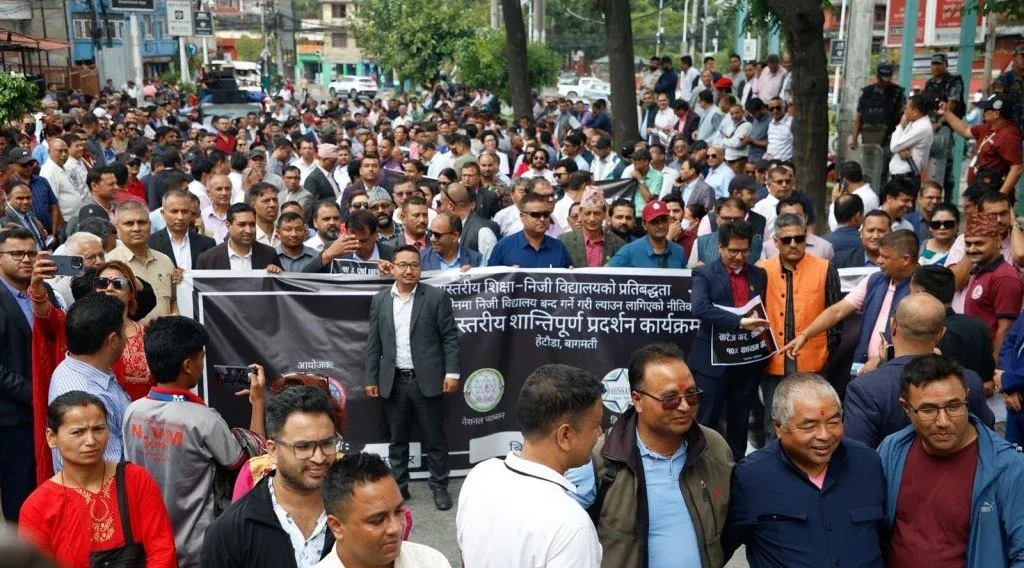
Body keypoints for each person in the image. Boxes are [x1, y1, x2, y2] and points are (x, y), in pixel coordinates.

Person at [564, 343, 733, 567]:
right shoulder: (598, 459)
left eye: (691, 395)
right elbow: (561, 539)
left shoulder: (715, 448)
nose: (684, 406)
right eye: (670, 399)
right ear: (637, 400)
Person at [123, 316, 266, 568]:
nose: (203, 365)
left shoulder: (133, 412)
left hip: (147, 546)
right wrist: (258, 402)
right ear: (188, 366)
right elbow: (253, 463)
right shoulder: (204, 420)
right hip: (195, 550)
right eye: (201, 358)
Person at [722, 374, 887, 568]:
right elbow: (718, 551)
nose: (824, 435)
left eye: (833, 422)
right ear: (779, 427)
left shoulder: (867, 463)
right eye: (809, 426)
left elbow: (885, 537)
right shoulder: (751, 477)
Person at [879, 354, 1024, 568]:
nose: (943, 421)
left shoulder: (1008, 467)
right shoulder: (892, 451)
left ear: (967, 397)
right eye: (928, 410)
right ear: (906, 408)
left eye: (954, 406)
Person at [457, 364, 603, 568]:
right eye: (595, 425)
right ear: (565, 435)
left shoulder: (479, 476)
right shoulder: (572, 526)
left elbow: (465, 558)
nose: (600, 433)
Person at [19, 391, 177, 568]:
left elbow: (162, 550)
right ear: (51, 437)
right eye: (78, 432)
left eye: (98, 429)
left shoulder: (136, 480)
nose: (91, 440)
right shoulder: (37, 507)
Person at [364, 245, 460, 510]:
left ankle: (439, 486)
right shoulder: (380, 300)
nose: (409, 270)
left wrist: (452, 372)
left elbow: (450, 338)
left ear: (420, 268)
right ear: (392, 268)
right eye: (403, 265)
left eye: (414, 265)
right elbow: (373, 343)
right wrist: (371, 378)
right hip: (394, 381)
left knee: (435, 439)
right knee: (397, 440)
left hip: (428, 380)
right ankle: (399, 488)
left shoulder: (436, 297)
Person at [201, 386, 339, 567]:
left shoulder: (357, 514)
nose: (319, 458)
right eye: (303, 447)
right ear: (273, 450)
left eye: (327, 444)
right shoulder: (230, 531)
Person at [844, 293, 994, 448]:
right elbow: (986, 439)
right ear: (941, 333)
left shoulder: (866, 388)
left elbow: (856, 451)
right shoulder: (969, 379)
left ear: (893, 326)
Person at [686, 221, 769, 459]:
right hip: (712, 364)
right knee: (705, 422)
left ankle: (736, 470)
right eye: (733, 251)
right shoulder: (704, 273)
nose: (739, 257)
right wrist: (740, 321)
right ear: (720, 248)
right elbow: (700, 308)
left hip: (746, 362)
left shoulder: (759, 275)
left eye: (744, 251)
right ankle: (699, 467)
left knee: (740, 423)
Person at [785, 230, 920, 376]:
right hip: (863, 367)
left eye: (885, 257)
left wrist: (881, 360)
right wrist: (805, 335)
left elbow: (921, 338)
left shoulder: (922, 286)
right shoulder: (874, 280)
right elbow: (837, 311)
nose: (878, 261)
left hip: (901, 372)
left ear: (905, 260)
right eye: (879, 255)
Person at [761, 212, 842, 436]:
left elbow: (835, 316)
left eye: (799, 238)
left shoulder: (824, 268)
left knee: (812, 422)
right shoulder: (763, 270)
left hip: (814, 361)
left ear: (806, 237)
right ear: (776, 242)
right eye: (786, 240)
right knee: (774, 426)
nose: (793, 244)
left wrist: (827, 352)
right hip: (773, 362)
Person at [0, 228, 56, 521]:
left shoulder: (46, 293)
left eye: (31, 253)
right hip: (13, 419)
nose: (26, 259)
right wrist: (34, 394)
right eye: (16, 254)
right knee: (20, 498)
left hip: (49, 411)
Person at [315, 453, 450, 568]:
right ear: (336, 526)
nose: (396, 528)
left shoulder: (432, 562)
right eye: (377, 520)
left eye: (398, 511)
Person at [46, 293, 130, 471]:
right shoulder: (89, 398)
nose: (127, 336)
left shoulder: (74, 366)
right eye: (124, 330)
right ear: (113, 340)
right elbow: (107, 473)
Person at [910, 265, 995, 390]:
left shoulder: (929, 333)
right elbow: (988, 379)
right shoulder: (978, 325)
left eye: (911, 293)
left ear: (920, 293)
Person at [961, 212, 1024, 368]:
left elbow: (1006, 329)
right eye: (968, 244)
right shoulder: (979, 271)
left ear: (997, 242)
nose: (972, 249)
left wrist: (993, 369)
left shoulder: (1004, 277)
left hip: (989, 367)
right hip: (973, 361)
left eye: (979, 243)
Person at [107, 200, 177, 323]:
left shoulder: (165, 261)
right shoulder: (110, 264)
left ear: (150, 224)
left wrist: (175, 315)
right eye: (129, 223)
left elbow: (173, 300)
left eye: (142, 222)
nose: (136, 228)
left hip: (165, 333)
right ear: (117, 227)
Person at [939, 93, 1022, 196]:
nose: (983, 112)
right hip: (979, 190)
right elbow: (966, 130)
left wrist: (1000, 197)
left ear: (996, 114)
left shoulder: (1009, 134)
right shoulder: (989, 127)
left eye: (986, 110)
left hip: (992, 193)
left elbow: (1017, 168)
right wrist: (946, 112)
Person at [489, 193, 572, 268]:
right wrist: (509, 275)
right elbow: (490, 278)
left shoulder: (559, 248)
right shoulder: (504, 247)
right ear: (522, 217)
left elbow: (568, 277)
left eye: (546, 214)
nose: (542, 219)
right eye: (536, 214)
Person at [196, 203, 285, 272]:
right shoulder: (208, 259)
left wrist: (277, 274)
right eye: (242, 225)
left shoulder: (269, 254)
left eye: (252, 224)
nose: (248, 230)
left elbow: (280, 287)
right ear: (228, 225)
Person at [149, 189, 217, 270]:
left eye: (185, 211)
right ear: (163, 214)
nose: (180, 217)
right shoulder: (150, 243)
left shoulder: (207, 244)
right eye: (174, 211)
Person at [559, 186, 626, 268]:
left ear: (604, 214)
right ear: (581, 212)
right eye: (588, 213)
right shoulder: (564, 241)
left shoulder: (618, 244)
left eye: (597, 213)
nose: (592, 219)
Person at [607, 200, 687, 268]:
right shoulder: (629, 251)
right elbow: (604, 275)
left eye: (664, 220)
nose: (660, 225)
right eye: (654, 221)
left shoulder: (679, 251)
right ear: (644, 225)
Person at [851, 63, 906, 151]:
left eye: (887, 79)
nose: (885, 82)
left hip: (889, 139)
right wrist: (854, 140)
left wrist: (900, 140)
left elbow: (904, 118)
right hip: (868, 137)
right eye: (882, 79)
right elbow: (858, 117)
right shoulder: (867, 93)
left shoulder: (897, 93)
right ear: (877, 76)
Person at [759, 198, 834, 260]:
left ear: (806, 218)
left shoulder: (824, 248)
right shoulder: (766, 248)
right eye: (787, 217)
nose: (793, 220)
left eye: (798, 216)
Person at [888, 95, 935, 181]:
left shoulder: (922, 127)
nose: (904, 112)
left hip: (906, 175)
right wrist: (900, 149)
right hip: (899, 174)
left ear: (915, 111)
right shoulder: (913, 122)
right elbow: (898, 144)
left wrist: (900, 125)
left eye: (906, 109)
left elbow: (894, 147)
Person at [827, 161, 879, 232]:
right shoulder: (871, 195)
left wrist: (834, 202)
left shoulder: (854, 201)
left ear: (844, 181)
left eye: (839, 180)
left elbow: (835, 227)